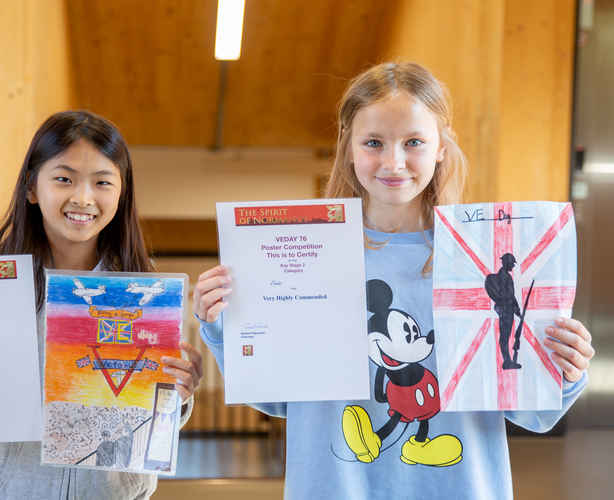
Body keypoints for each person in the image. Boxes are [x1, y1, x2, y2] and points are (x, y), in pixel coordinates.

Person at [193, 62, 595, 499]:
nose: (393, 161)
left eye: (414, 142)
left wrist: (564, 368)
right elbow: (278, 400)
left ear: (441, 146)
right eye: (374, 143)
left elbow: (534, 416)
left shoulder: (480, 258)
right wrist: (222, 325)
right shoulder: (303, 255)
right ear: (348, 147)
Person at [0, 110, 204, 499]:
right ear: (32, 188)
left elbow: (153, 418)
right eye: (64, 178)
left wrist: (179, 397)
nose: (83, 198)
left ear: (121, 193)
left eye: (102, 182)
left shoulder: (146, 293)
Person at [485, 253, 523, 369]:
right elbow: (509, 295)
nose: (513, 266)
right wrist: (516, 309)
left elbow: (512, 295)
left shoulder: (506, 275)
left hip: (508, 309)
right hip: (506, 309)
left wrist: (517, 310)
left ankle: (508, 360)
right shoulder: (504, 276)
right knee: (505, 337)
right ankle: (507, 361)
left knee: (505, 336)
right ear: (507, 263)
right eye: (512, 263)